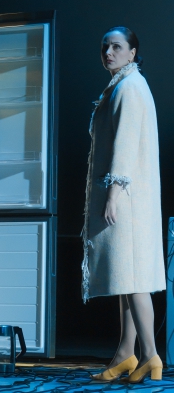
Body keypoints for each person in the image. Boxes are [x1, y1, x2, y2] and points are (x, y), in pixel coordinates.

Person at [82, 27, 165, 383]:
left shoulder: (129, 87)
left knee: (134, 279)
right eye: (105, 47)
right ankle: (126, 353)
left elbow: (126, 145)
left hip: (127, 198)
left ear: (132, 52)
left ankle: (150, 355)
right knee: (126, 277)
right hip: (134, 197)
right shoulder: (126, 85)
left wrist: (113, 194)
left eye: (117, 46)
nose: (108, 52)